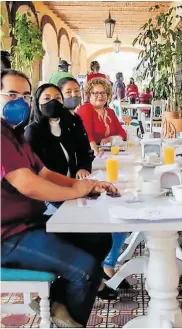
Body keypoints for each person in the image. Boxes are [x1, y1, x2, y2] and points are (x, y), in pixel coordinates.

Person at [0, 69, 119, 327]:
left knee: (98, 238)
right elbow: (28, 184)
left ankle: (58, 303)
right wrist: (76, 191)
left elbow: (44, 173)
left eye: (23, 95)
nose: (18, 101)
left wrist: (85, 185)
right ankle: (66, 321)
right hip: (7, 236)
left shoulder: (15, 134)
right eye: (10, 94)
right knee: (86, 271)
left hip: (29, 224)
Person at [25, 83, 91, 180]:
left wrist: (83, 168)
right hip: (48, 188)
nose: (53, 102)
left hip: (73, 184)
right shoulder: (32, 131)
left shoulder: (71, 125)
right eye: (47, 99)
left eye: (58, 98)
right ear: (38, 104)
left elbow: (85, 152)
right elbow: (32, 168)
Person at [77, 78, 127, 156]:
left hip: (111, 154)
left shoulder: (110, 112)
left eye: (103, 93)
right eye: (96, 93)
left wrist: (111, 138)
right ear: (89, 95)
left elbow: (123, 134)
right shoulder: (86, 109)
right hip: (92, 155)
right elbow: (87, 136)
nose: (100, 96)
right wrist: (97, 154)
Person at [57, 77, 94, 171]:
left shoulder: (77, 120)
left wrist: (84, 168)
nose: (73, 95)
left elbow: (84, 150)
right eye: (68, 92)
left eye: (77, 91)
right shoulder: (57, 122)